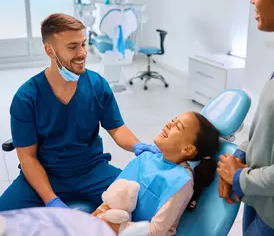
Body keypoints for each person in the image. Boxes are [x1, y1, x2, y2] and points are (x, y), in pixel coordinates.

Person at [0, 13, 159, 211]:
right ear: (50, 50)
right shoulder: (27, 98)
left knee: (145, 205)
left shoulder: (97, 85)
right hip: (46, 174)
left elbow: (117, 128)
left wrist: (137, 145)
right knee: (4, 218)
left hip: (92, 171)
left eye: (83, 44)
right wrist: (51, 199)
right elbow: (28, 158)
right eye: (72, 47)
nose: (82, 53)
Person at [217, 0, 274, 235]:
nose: (252, 0)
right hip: (259, 198)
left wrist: (239, 178)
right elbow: (266, 120)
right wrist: (239, 157)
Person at [94, 111, 220, 236]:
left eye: (177, 126)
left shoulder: (181, 181)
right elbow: (112, 199)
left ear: (187, 149)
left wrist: (116, 227)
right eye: (173, 119)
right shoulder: (145, 159)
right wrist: (94, 218)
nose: (168, 124)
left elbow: (155, 232)